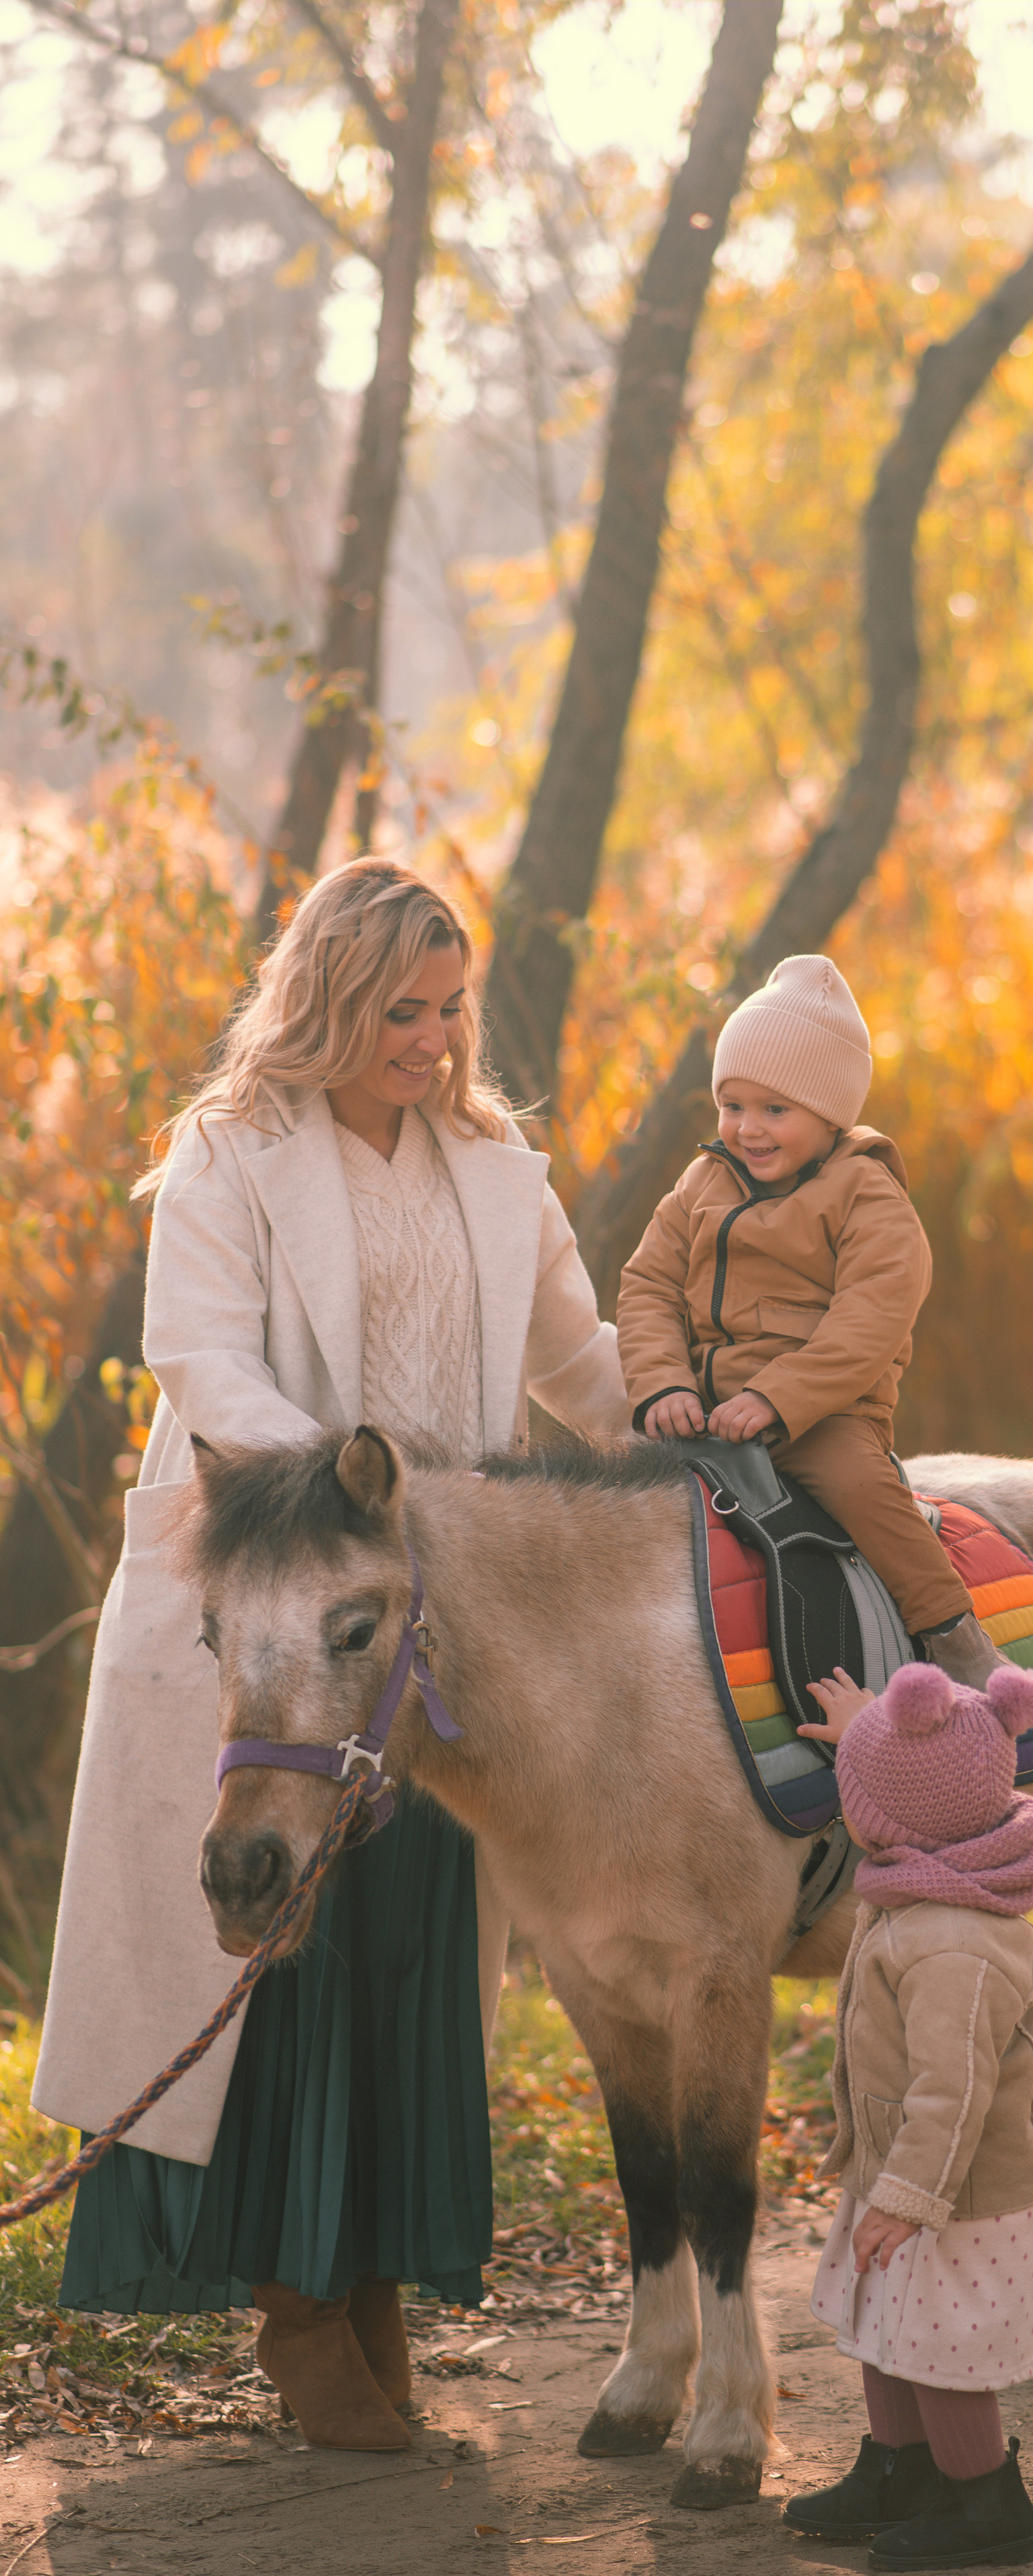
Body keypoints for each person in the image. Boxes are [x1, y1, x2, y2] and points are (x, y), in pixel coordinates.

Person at [33, 857, 630, 2452]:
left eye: (448, 1010)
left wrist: (690, 1435)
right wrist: (341, 1496)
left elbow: (579, 1353)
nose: (431, 1040)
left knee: (415, 1950)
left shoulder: (493, 1168)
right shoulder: (229, 1152)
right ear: (328, 999)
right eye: (398, 1012)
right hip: (288, 1602)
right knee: (283, 1948)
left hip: (441, 1638)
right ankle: (296, 2311)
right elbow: (198, 1352)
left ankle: (368, 2278)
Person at [616, 953, 999, 1686]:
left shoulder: (865, 1193)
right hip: (701, 1411)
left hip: (820, 1416)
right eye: (733, 1105)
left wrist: (776, 1399)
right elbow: (648, 1285)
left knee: (859, 1487)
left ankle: (952, 1633)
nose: (748, 1129)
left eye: (775, 1110)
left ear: (830, 1115)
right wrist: (664, 1385)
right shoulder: (702, 1181)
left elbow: (873, 1315)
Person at [783, 1657, 1033, 2571]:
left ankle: (986, 2505)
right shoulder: (928, 1883)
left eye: (853, 1791)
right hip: (910, 2172)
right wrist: (866, 1735)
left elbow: (953, 2094)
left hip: (960, 2188)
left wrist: (905, 2195)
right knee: (885, 2321)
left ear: (890, 1819)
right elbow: (921, 1784)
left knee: (941, 2347)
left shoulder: (955, 1943)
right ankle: (902, 2468)